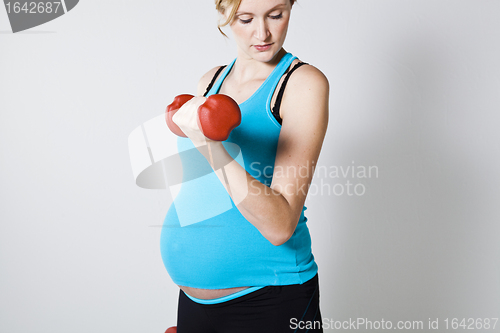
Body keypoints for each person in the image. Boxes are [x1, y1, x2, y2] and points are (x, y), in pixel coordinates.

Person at [160, 0, 329, 331]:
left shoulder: (301, 84)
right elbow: (204, 190)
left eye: (276, 15)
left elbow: (280, 226)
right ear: (223, 13)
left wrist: (209, 146)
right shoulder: (210, 82)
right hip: (194, 303)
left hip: (271, 300)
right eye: (246, 18)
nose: (262, 32)